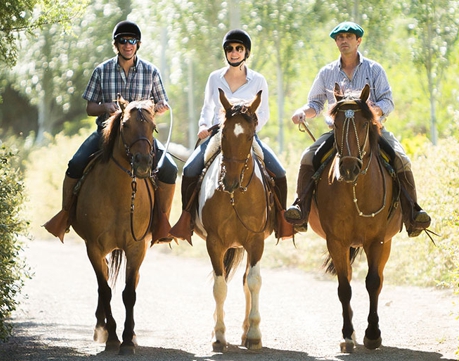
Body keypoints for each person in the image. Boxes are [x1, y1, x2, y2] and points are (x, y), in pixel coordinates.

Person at [284, 21, 431, 237]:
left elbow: (388, 101)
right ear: (336, 42)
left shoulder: (374, 69)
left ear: (358, 40)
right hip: (339, 133)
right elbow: (315, 104)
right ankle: (301, 210)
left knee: (401, 158)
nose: (344, 40)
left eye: (349, 37)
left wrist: (374, 111)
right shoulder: (327, 73)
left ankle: (412, 215)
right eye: (340, 37)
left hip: (371, 131)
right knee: (308, 156)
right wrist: (302, 113)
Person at [44, 20, 177, 245]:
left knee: (170, 170)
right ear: (116, 45)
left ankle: (161, 222)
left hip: (141, 137)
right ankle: (65, 215)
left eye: (132, 41)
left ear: (138, 44)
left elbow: (160, 103)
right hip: (107, 134)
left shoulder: (151, 71)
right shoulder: (101, 71)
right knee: (75, 164)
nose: (128, 45)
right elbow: (89, 107)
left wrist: (160, 109)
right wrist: (105, 107)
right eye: (123, 41)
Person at [170, 29, 293, 242]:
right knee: (190, 169)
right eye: (230, 49)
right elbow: (208, 107)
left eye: (239, 49)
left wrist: (251, 129)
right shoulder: (214, 78)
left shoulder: (258, 80)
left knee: (279, 172)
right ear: (225, 52)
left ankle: (282, 220)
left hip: (247, 136)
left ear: (246, 52)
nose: (234, 53)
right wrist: (203, 125)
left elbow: (263, 112)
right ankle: (186, 219)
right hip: (219, 134)